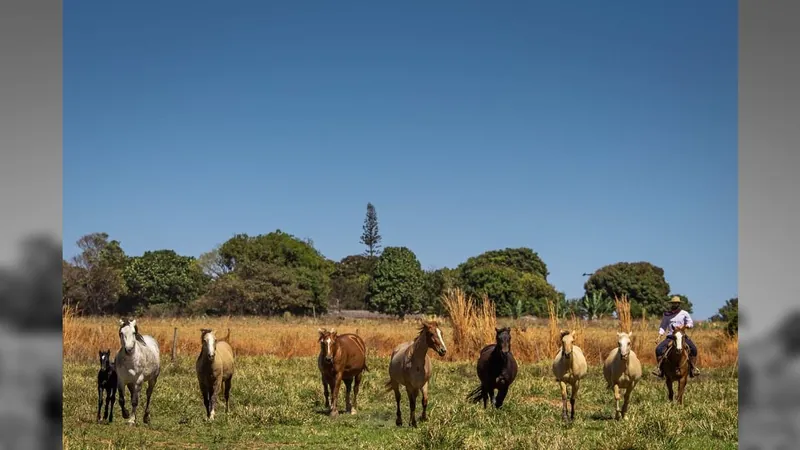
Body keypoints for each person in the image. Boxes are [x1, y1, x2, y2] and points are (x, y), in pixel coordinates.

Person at [651, 296, 700, 378]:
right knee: (658, 349)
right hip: (670, 336)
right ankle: (660, 369)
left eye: (676, 303)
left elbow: (690, 323)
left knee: (694, 349)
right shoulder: (667, 315)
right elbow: (663, 326)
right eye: (673, 303)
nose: (675, 304)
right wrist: (659, 336)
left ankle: (692, 369)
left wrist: (684, 326)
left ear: (679, 304)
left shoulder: (684, 313)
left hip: (682, 336)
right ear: (671, 304)